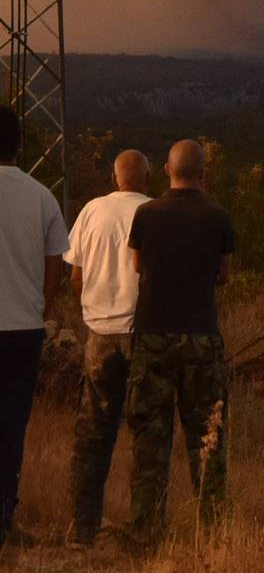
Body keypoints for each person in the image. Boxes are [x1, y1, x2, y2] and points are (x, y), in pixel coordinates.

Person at [126, 140, 235, 548]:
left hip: (153, 334)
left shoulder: (146, 213)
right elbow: (224, 274)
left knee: (150, 438)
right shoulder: (219, 217)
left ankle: (145, 530)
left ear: (168, 171)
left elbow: (137, 264)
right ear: (203, 172)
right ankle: (212, 532)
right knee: (206, 439)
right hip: (201, 336)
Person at [65, 150, 152, 546]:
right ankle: (144, 529)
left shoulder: (91, 211)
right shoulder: (155, 212)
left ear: (114, 176)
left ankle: (83, 529)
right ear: (148, 178)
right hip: (143, 332)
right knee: (148, 430)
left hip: (99, 331)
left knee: (93, 433)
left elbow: (76, 276)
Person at [0, 103, 67, 543]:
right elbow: (55, 266)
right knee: (10, 429)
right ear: (20, 144)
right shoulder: (42, 195)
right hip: (23, 329)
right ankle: (4, 519)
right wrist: (40, 308)